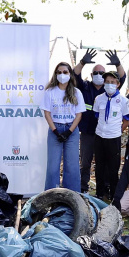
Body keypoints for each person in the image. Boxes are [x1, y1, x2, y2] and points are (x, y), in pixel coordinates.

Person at [73, 49, 127, 193]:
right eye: (95, 73)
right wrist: (82, 62)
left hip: (106, 134)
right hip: (88, 132)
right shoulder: (84, 87)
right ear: (91, 75)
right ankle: (83, 187)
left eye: (101, 73)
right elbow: (74, 75)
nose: (98, 75)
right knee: (85, 162)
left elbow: (122, 77)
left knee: (106, 163)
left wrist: (118, 64)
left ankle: (106, 187)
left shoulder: (108, 89)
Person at [41, 62, 85, 191]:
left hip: (72, 130)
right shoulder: (50, 92)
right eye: (59, 72)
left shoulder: (76, 92)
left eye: (65, 72)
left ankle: (72, 194)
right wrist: (55, 131)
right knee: (52, 166)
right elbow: (47, 113)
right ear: (55, 74)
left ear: (70, 74)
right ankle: (51, 194)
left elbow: (79, 115)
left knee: (72, 165)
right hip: (55, 129)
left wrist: (69, 132)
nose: (62, 74)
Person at [92, 71, 129, 201]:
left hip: (114, 138)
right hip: (99, 136)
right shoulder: (99, 99)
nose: (109, 84)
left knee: (113, 167)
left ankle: (114, 194)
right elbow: (97, 115)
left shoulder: (123, 101)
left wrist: (117, 131)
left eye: (112, 82)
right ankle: (100, 193)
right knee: (99, 166)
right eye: (107, 82)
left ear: (118, 84)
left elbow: (126, 120)